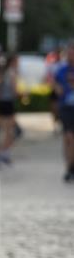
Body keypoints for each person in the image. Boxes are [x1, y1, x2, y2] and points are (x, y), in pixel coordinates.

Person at [54, 43, 74, 182]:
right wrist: (57, 88)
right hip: (66, 108)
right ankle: (69, 167)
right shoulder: (61, 70)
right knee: (68, 138)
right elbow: (54, 84)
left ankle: (71, 166)